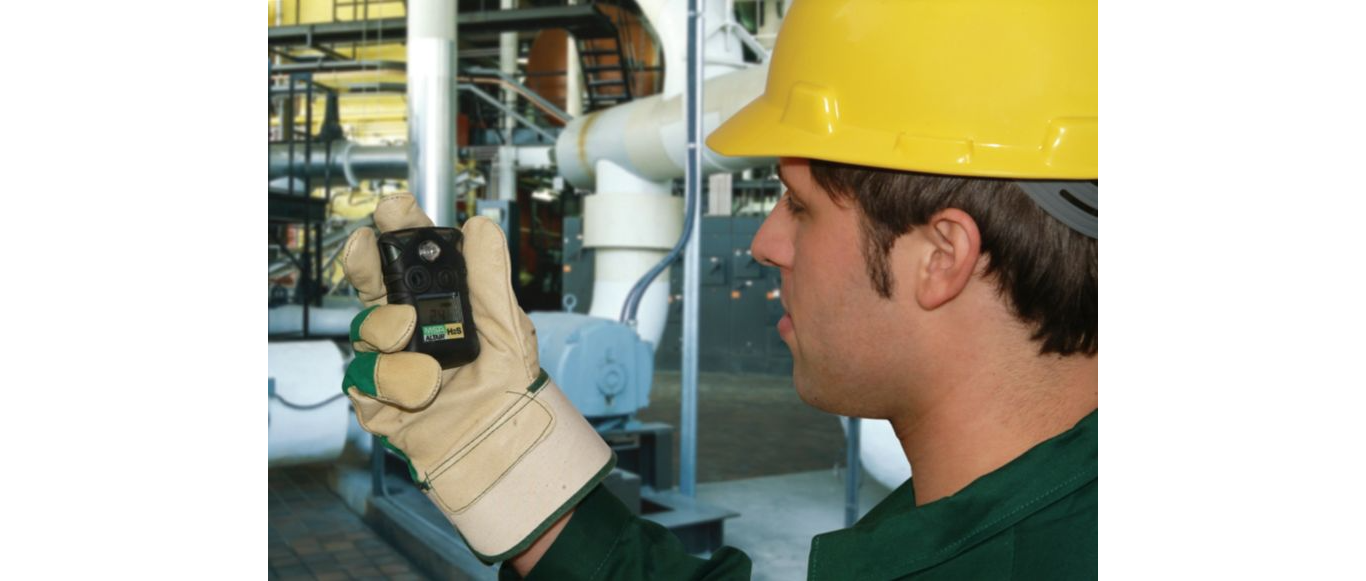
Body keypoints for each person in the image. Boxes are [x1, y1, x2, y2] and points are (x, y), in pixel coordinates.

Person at [340, 0, 1097, 578]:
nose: (766, 243)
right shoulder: (1015, 519)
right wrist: (502, 455)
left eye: (799, 205)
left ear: (941, 256)